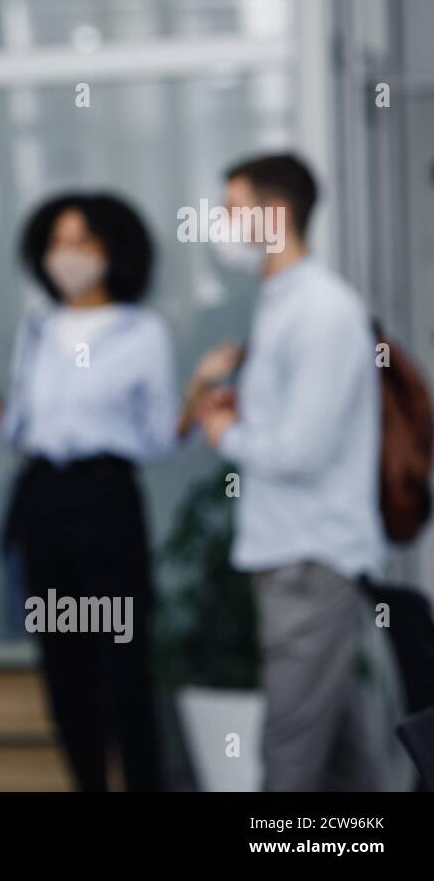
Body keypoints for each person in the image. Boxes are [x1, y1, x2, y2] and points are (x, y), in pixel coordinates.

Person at [0, 193, 178, 791]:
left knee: (126, 672)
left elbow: (157, 439)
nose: (66, 255)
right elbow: (16, 431)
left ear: (114, 250)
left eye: (82, 241)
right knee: (64, 673)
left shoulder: (143, 331)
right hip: (44, 501)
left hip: (108, 502)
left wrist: (204, 392)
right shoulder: (40, 327)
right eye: (57, 242)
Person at [190, 153, 385, 791]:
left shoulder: (321, 310)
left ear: (275, 217)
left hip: (309, 555)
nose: (221, 225)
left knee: (290, 757)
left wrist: (226, 433)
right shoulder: (282, 302)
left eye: (233, 210)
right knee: (338, 754)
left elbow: (302, 450)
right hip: (291, 552)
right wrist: (243, 412)